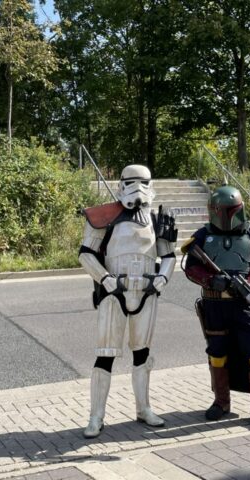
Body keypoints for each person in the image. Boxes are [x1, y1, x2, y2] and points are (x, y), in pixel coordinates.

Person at [78, 164, 178, 438]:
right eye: (131, 181)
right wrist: (105, 279)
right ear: (121, 184)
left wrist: (162, 278)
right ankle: (96, 416)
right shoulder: (105, 216)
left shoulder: (156, 219)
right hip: (114, 293)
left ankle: (144, 408)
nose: (138, 188)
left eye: (143, 182)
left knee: (142, 353)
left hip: (146, 292)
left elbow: (168, 256)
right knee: (106, 354)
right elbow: (86, 253)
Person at [181, 185, 250, 430]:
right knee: (217, 353)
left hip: (246, 303)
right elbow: (190, 267)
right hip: (215, 304)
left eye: (226, 210)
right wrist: (211, 279)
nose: (222, 215)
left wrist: (249, 283)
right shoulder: (203, 236)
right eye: (218, 210)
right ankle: (221, 402)